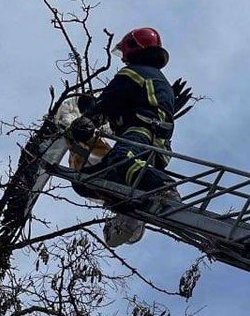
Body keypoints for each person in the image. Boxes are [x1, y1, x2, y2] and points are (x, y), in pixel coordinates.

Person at [69, 27, 183, 195]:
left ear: (133, 46)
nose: (122, 58)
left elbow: (110, 99)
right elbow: (120, 106)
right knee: (86, 181)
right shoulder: (155, 78)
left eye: (124, 51)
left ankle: (164, 188)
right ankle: (122, 196)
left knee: (121, 160)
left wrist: (88, 117)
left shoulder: (133, 73)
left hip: (142, 134)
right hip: (156, 145)